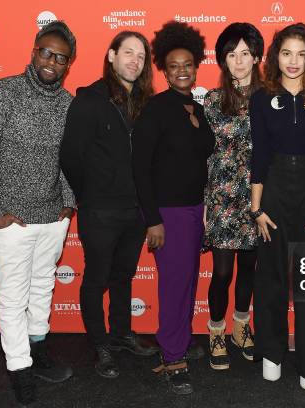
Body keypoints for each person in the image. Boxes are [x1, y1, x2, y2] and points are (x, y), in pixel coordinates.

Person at [0, 21, 76, 405]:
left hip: (53, 218)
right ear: (34, 52)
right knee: (13, 298)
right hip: (11, 221)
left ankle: (37, 350)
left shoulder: (67, 103)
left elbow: (68, 160)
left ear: (68, 64)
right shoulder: (0, 93)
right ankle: (19, 367)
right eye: (46, 52)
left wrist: (67, 205)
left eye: (61, 58)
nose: (51, 62)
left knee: (42, 288)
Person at [59, 31, 159, 380]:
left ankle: (120, 335)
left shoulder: (146, 101)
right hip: (99, 210)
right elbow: (71, 155)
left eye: (141, 56)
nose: (134, 60)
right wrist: (90, 195)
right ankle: (100, 344)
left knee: (123, 277)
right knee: (97, 278)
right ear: (111, 55)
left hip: (135, 210)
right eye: (127, 52)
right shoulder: (90, 99)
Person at [249, 23, 305, 391]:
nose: (294, 61)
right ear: (275, 57)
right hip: (273, 186)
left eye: (301, 54)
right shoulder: (261, 97)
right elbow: (260, 152)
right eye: (287, 53)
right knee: (270, 277)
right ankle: (271, 353)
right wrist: (256, 208)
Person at [132, 21, 215, 395]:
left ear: (196, 65)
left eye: (188, 64)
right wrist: (153, 220)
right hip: (168, 213)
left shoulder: (195, 106)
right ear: (164, 71)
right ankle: (172, 357)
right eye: (174, 65)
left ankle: (177, 340)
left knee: (186, 283)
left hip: (194, 210)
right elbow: (140, 168)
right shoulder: (156, 109)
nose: (182, 70)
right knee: (174, 285)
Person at [203, 22, 263, 370]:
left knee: (249, 269)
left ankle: (242, 326)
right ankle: (216, 331)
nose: (238, 61)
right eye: (231, 54)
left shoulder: (272, 99)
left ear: (256, 57)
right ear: (222, 59)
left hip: (257, 196)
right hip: (222, 198)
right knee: (223, 271)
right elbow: (201, 155)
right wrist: (205, 205)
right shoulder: (211, 101)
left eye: (245, 53)